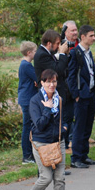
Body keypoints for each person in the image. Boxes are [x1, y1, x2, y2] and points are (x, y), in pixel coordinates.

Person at [27, 69, 69, 190]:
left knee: (60, 178)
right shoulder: (35, 101)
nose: (52, 85)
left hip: (58, 142)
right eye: (48, 81)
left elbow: (64, 119)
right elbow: (39, 125)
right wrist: (47, 108)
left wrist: (64, 128)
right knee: (46, 177)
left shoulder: (60, 99)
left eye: (54, 81)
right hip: (41, 144)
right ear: (42, 83)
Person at [34, 29, 73, 168]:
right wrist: (61, 54)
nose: (58, 46)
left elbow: (62, 67)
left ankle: (56, 161)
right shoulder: (41, 55)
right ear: (49, 43)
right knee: (50, 127)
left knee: (58, 126)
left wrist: (64, 55)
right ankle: (49, 162)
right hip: (47, 97)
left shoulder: (46, 53)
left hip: (57, 94)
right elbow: (58, 71)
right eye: (57, 44)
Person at [67, 25, 95, 169]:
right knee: (79, 127)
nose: (94, 38)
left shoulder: (88, 52)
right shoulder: (75, 53)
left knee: (88, 126)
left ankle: (84, 155)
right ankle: (76, 158)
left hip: (91, 93)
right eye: (91, 36)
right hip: (81, 96)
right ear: (83, 37)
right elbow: (71, 76)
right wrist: (76, 94)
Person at [18, 41, 38, 164]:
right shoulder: (27, 66)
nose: (36, 53)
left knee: (29, 126)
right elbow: (38, 78)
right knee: (28, 127)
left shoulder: (25, 65)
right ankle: (27, 155)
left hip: (26, 98)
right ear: (29, 52)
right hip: (27, 99)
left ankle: (29, 153)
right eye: (35, 51)